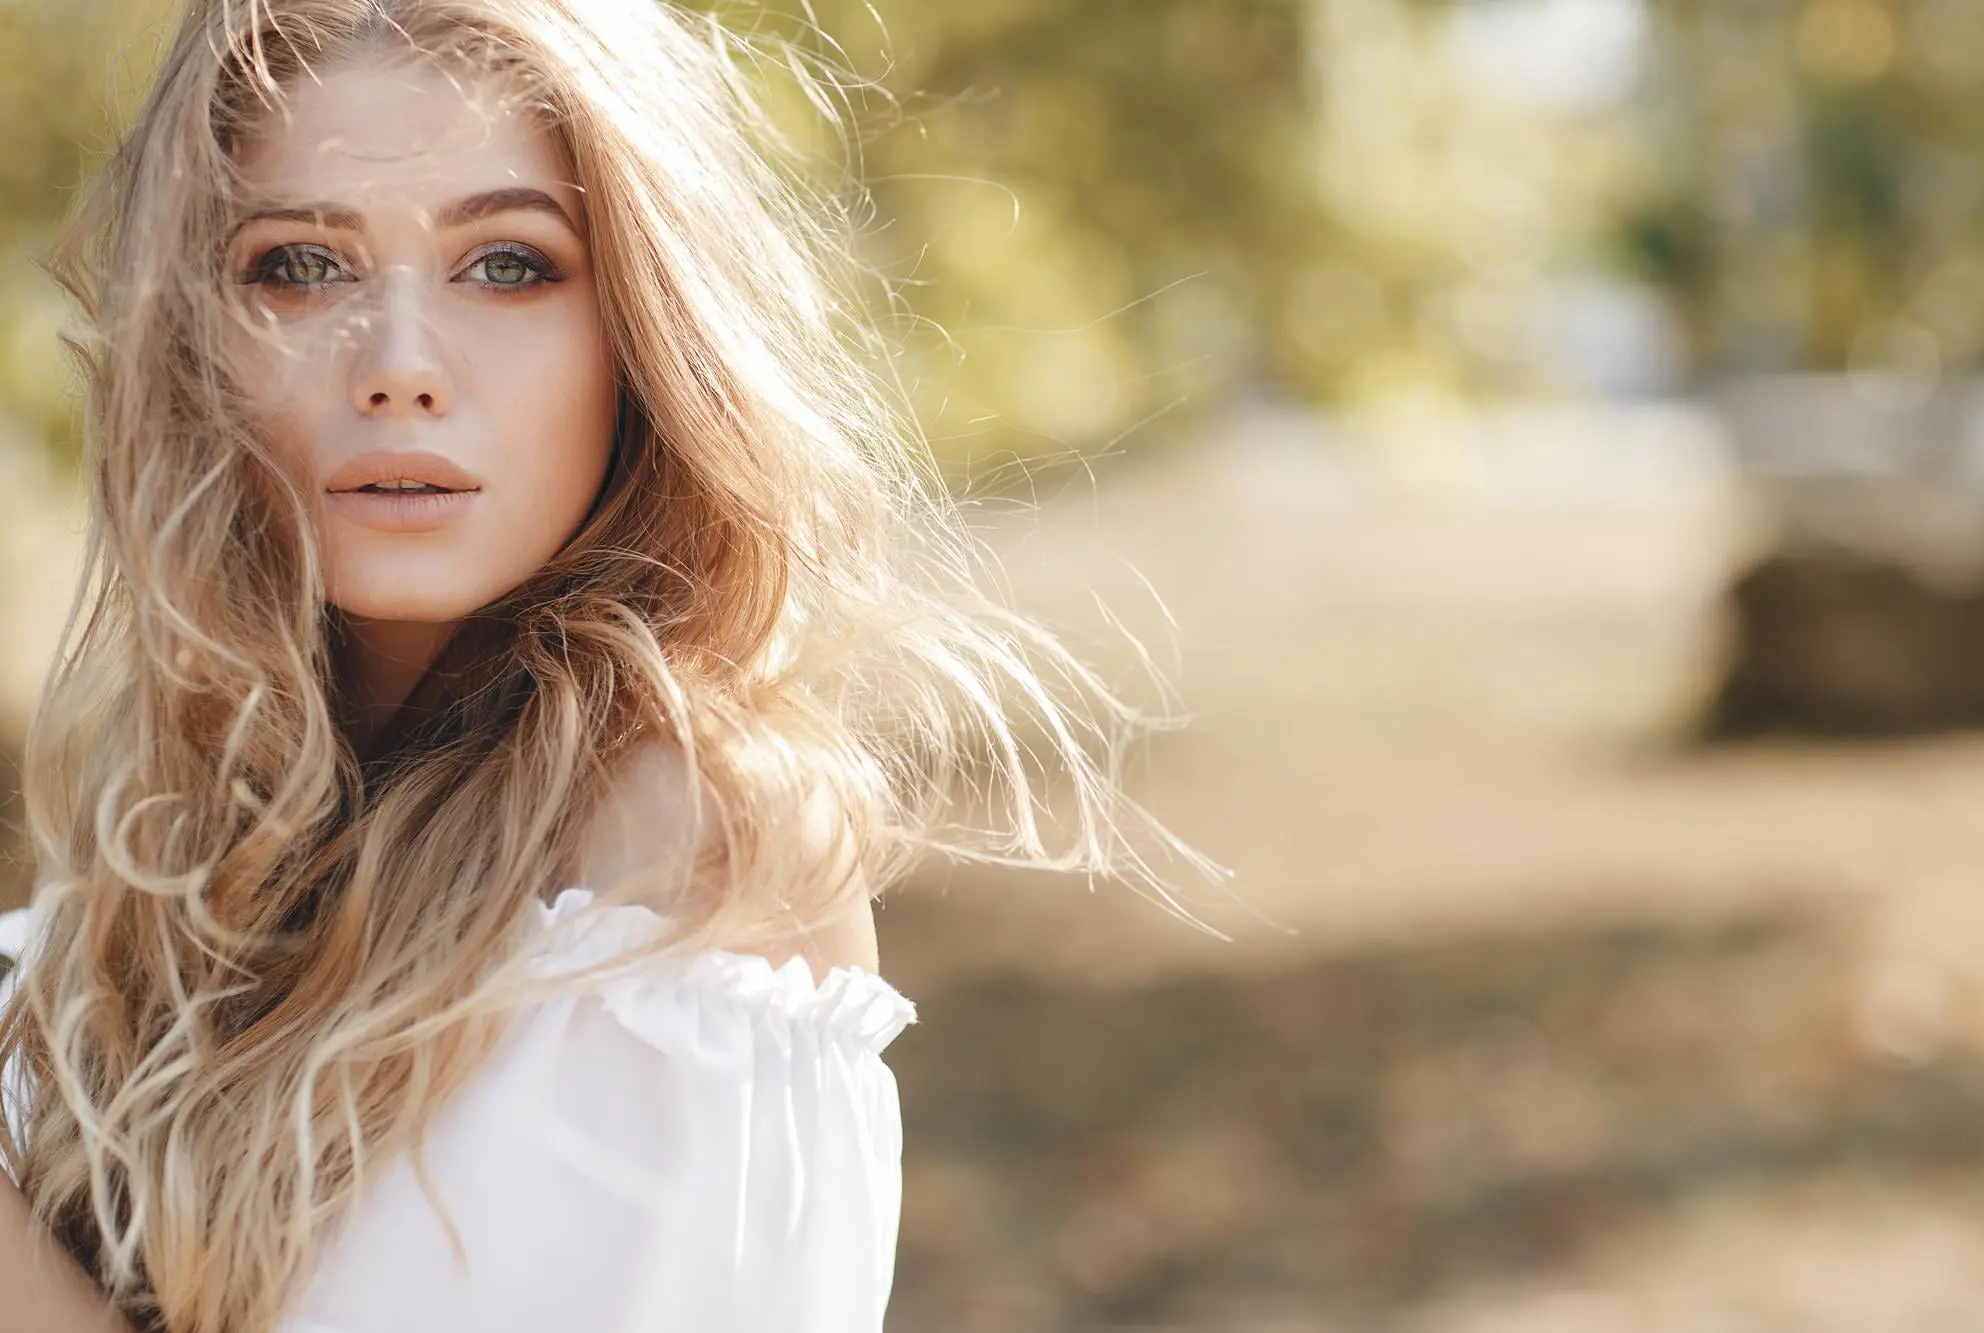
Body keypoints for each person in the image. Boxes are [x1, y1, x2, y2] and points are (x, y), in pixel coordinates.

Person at [0, 1, 1216, 1331]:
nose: (400, 368)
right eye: (300, 265)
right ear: (194, 340)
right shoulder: (148, 872)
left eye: (508, 265)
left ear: (639, 330)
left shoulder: (685, 851)